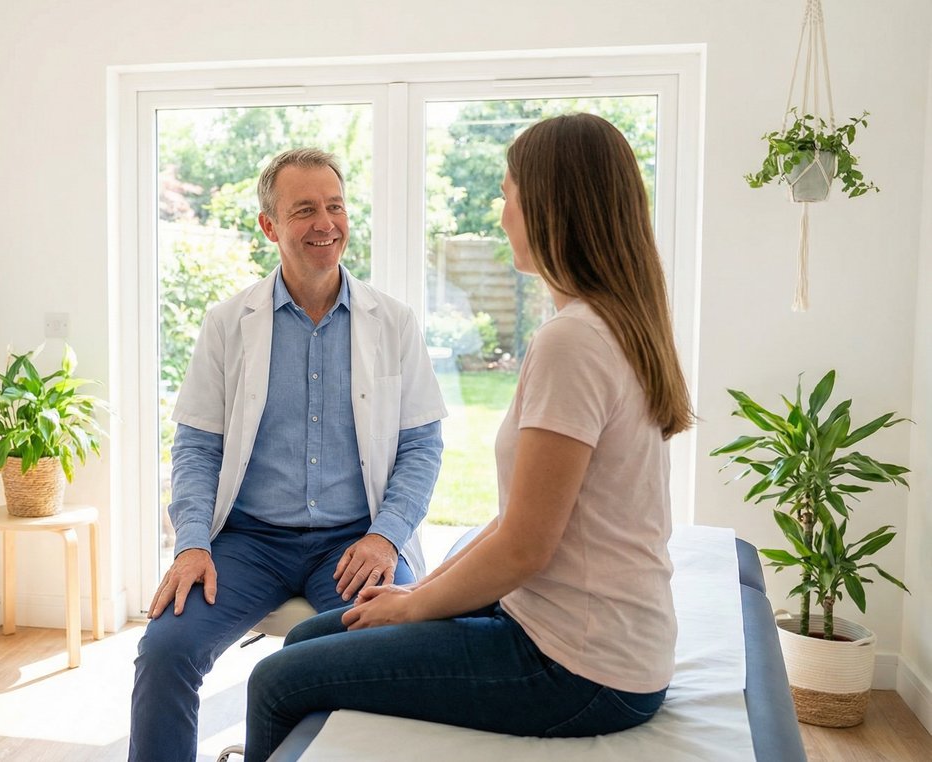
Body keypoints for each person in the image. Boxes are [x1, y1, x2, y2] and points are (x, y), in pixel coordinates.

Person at [243, 114, 695, 761]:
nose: (502, 213)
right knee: (311, 636)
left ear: (549, 207)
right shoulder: (610, 322)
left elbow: (523, 547)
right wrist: (418, 593)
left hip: (581, 667)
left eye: (508, 195)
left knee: (274, 681)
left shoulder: (574, 340)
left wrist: (413, 609)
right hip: (582, 635)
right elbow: (521, 521)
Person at [129, 148, 447, 762]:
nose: (326, 223)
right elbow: (197, 445)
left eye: (335, 206)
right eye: (304, 210)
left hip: (356, 544)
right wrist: (193, 541)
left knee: (392, 655)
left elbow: (421, 446)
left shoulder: (394, 323)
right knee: (166, 649)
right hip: (248, 543)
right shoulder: (228, 323)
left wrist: (386, 536)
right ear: (269, 226)